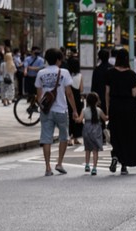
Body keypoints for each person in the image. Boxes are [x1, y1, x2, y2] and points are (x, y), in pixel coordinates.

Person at [34, 48, 81, 176]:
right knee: (63, 137)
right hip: (61, 109)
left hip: (46, 111)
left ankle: (48, 167)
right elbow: (69, 93)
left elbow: (39, 96)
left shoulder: (41, 73)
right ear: (58, 60)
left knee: (46, 138)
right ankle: (59, 163)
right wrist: (75, 110)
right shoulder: (64, 72)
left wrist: (43, 107)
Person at [104, 49, 136, 175]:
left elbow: (107, 93)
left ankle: (115, 154)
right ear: (127, 59)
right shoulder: (132, 74)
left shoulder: (110, 73)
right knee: (129, 134)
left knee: (116, 133)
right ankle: (124, 165)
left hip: (115, 107)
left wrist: (107, 110)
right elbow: (133, 93)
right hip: (128, 108)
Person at [82, 93, 106, 175]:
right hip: (96, 130)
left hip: (86, 129)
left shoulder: (84, 110)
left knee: (87, 149)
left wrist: (75, 118)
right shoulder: (98, 110)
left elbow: (79, 119)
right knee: (95, 150)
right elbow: (105, 118)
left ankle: (87, 165)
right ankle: (94, 168)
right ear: (97, 101)